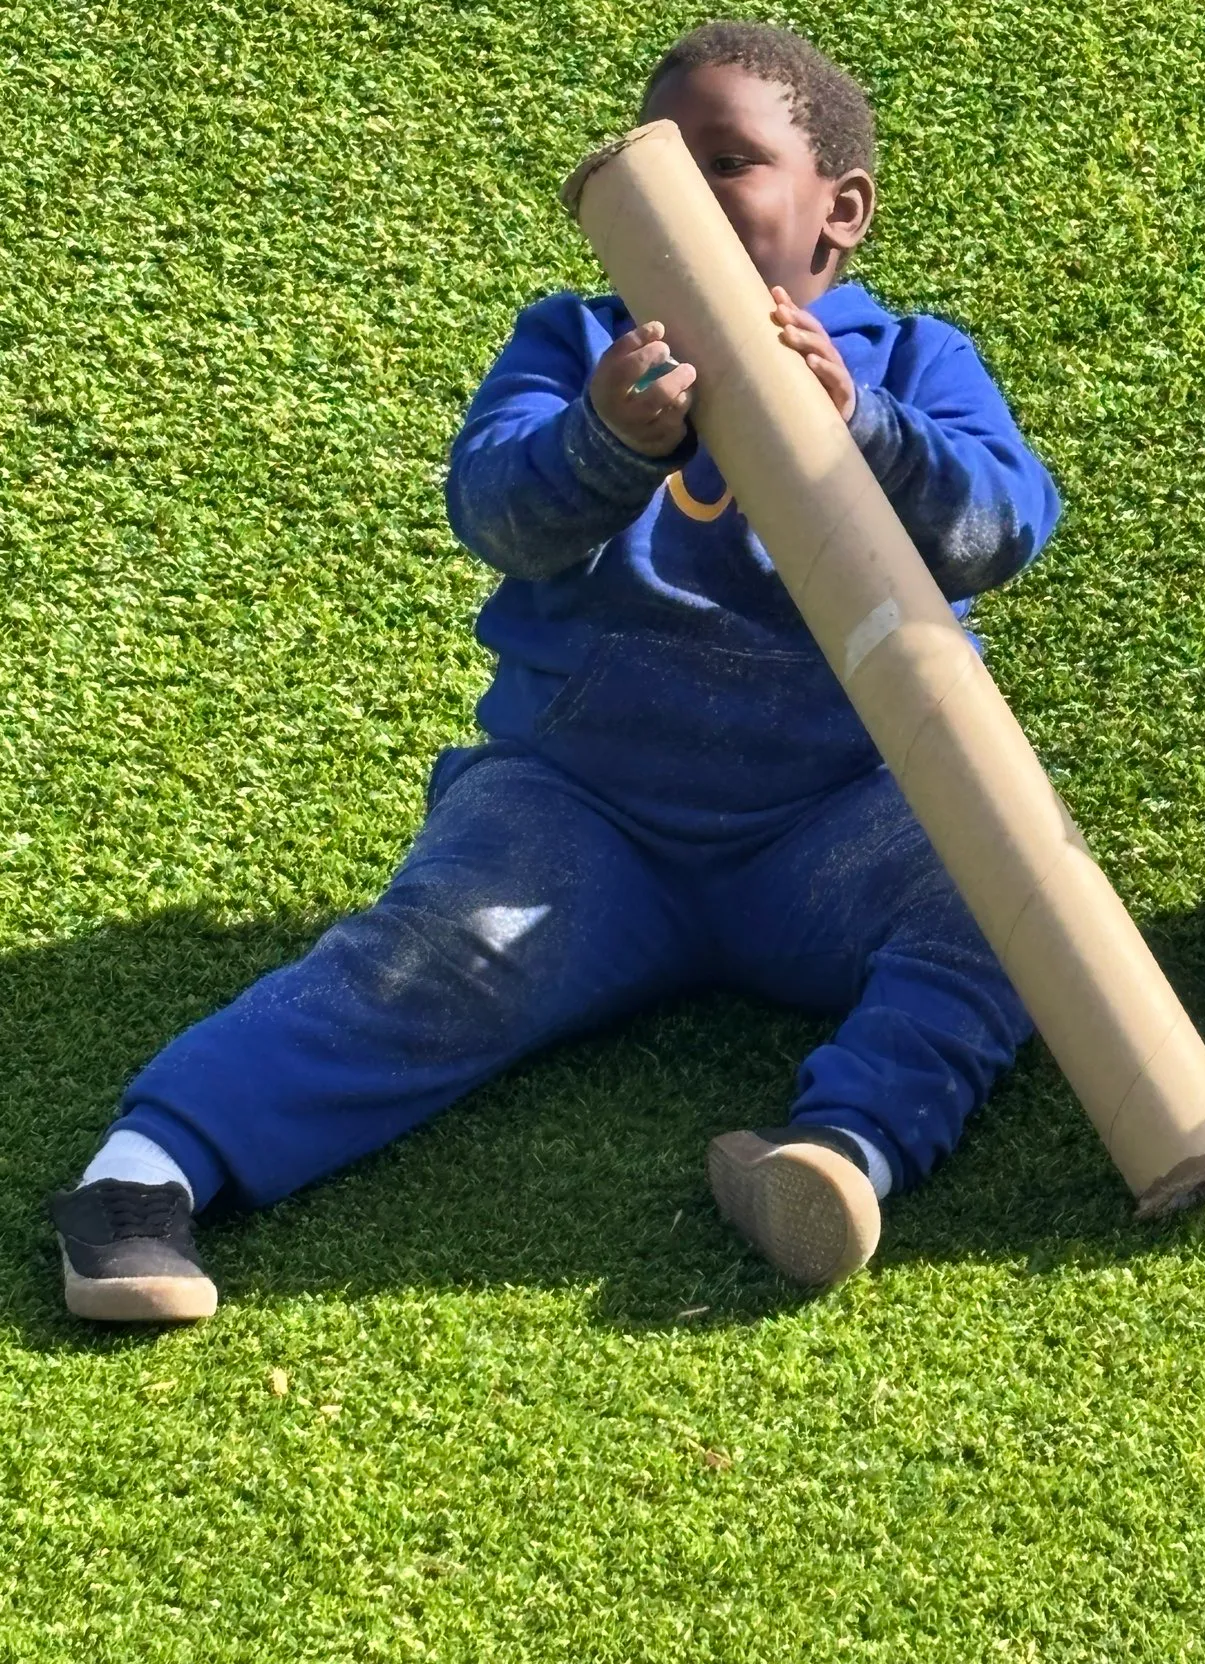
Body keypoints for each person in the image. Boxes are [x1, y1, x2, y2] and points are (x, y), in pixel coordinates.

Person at [49, 20, 1061, 1321]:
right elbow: (496, 511)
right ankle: (147, 1176)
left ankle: (839, 1153)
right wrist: (602, 434)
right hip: (587, 815)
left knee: (1005, 904)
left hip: (834, 815)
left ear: (837, 212)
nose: (687, 200)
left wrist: (861, 425)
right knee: (432, 958)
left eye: (729, 164)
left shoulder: (911, 363)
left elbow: (1003, 523)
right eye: (659, 173)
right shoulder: (578, 342)